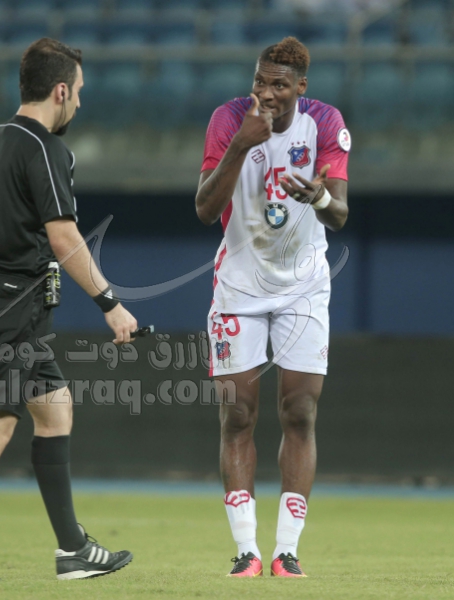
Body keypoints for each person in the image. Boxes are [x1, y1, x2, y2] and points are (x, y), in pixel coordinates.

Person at [0, 38, 138, 582]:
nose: (80, 102)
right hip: (13, 304)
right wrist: (110, 303)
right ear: (60, 90)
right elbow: (63, 236)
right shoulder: (47, 150)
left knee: (55, 408)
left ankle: (73, 550)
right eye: (79, 91)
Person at [195, 37, 350, 578]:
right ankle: (246, 550)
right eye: (259, 80)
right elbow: (204, 208)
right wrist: (240, 145)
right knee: (238, 414)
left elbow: (340, 214)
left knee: (299, 412)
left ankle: (287, 550)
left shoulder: (324, 123)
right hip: (239, 286)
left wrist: (319, 197)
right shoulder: (228, 120)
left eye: (279, 84)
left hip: (303, 288)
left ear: (300, 87)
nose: (265, 92)